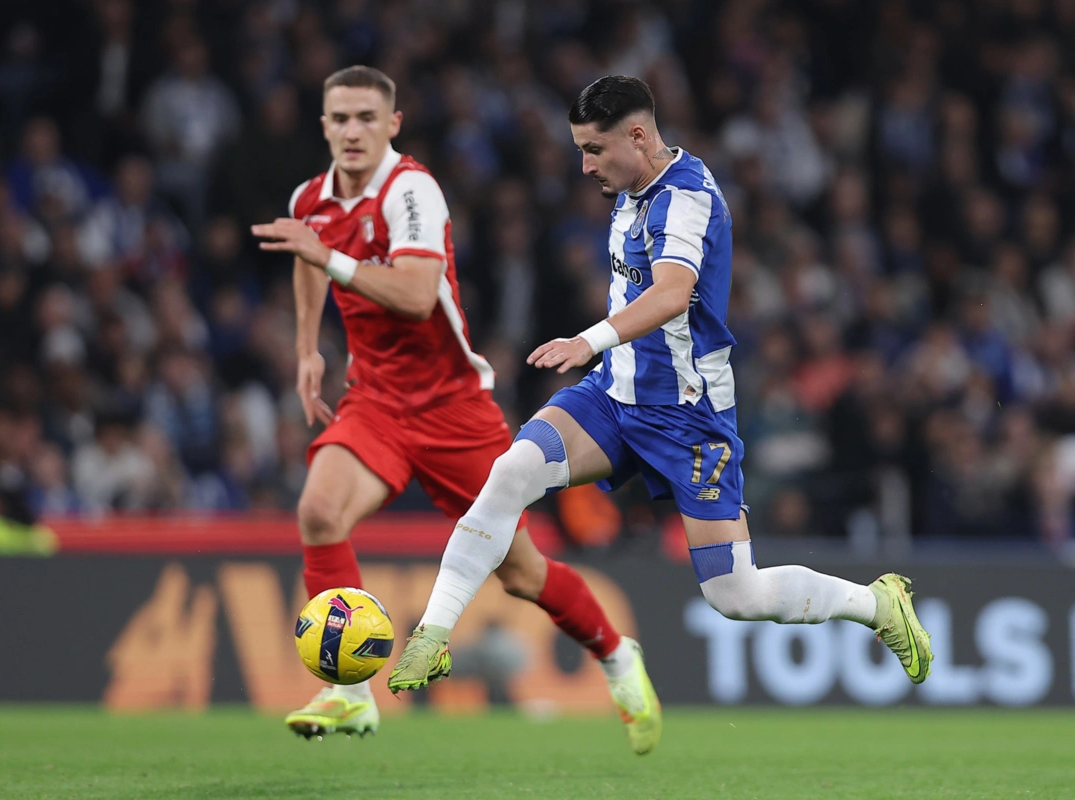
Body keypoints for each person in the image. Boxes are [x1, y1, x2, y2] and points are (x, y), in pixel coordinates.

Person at [388, 76, 933, 705]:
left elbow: (673, 293)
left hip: (688, 417)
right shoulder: (630, 187)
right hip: (614, 398)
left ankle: (877, 603)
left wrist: (587, 340)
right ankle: (432, 634)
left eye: (593, 150)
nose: (584, 165)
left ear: (639, 136)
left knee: (735, 594)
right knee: (511, 471)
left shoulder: (688, 196)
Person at [251, 66, 659, 752]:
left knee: (523, 573)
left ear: (393, 125)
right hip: (376, 400)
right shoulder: (312, 198)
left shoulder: (412, 190)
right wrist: (306, 348)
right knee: (319, 512)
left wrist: (331, 259)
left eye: (366, 118)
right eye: (340, 118)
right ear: (323, 124)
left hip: (453, 407)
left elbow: (413, 294)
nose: (352, 131)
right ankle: (350, 696)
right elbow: (306, 258)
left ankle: (619, 654)